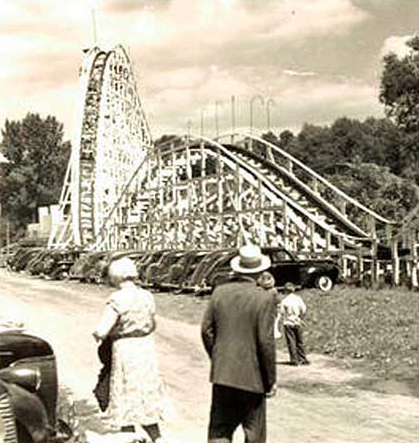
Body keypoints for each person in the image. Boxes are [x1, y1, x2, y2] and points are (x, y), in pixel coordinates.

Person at [201, 244, 277, 443]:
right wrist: (270, 380)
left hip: (223, 373)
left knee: (219, 431)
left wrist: (218, 356)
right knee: (254, 433)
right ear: (260, 271)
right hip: (253, 377)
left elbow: (206, 331)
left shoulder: (219, 292)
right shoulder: (265, 297)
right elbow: (265, 342)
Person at [93, 257, 169, 443]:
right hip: (145, 346)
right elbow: (152, 324)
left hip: (125, 348)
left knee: (125, 393)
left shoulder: (117, 299)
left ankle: (128, 435)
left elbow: (102, 330)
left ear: (115, 277)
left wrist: (97, 334)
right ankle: (157, 438)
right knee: (145, 393)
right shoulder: (147, 296)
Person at [279, 282, 310, 366]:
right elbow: (303, 309)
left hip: (288, 322)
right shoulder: (298, 299)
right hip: (297, 321)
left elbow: (282, 312)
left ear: (285, 291)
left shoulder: (284, 301)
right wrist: (300, 317)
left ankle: (294, 360)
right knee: (300, 341)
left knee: (291, 341)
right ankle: (303, 358)